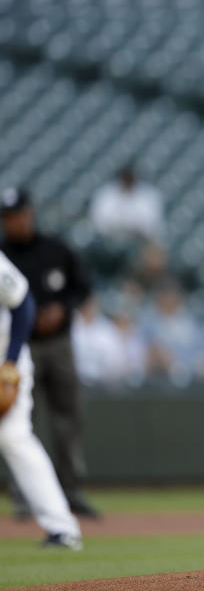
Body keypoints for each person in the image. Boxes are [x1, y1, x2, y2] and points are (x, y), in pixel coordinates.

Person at [0, 189, 99, 518]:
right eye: (8, 217)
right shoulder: (3, 254)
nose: (15, 222)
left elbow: (82, 286)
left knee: (67, 418)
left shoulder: (56, 249)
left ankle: (70, 490)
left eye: (19, 214)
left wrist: (62, 308)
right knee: (18, 424)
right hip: (20, 345)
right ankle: (24, 496)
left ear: (31, 213)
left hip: (58, 344)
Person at [0, 249, 83, 549]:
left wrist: (9, 363)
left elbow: (22, 304)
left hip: (4, 361)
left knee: (13, 436)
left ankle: (62, 528)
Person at [89, 164, 165, 243]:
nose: (127, 182)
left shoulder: (148, 194)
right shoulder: (106, 193)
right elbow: (99, 219)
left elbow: (151, 222)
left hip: (139, 240)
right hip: (108, 239)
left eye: (129, 178)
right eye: (125, 178)